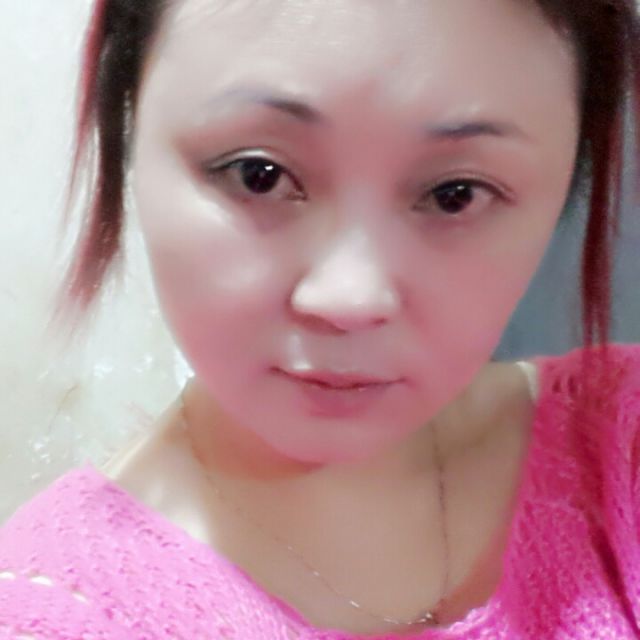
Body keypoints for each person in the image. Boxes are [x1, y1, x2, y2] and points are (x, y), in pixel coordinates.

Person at [1, 0, 640, 637]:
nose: (349, 299)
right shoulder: (56, 613)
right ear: (128, 126)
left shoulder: (622, 447)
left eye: (455, 195)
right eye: (259, 176)